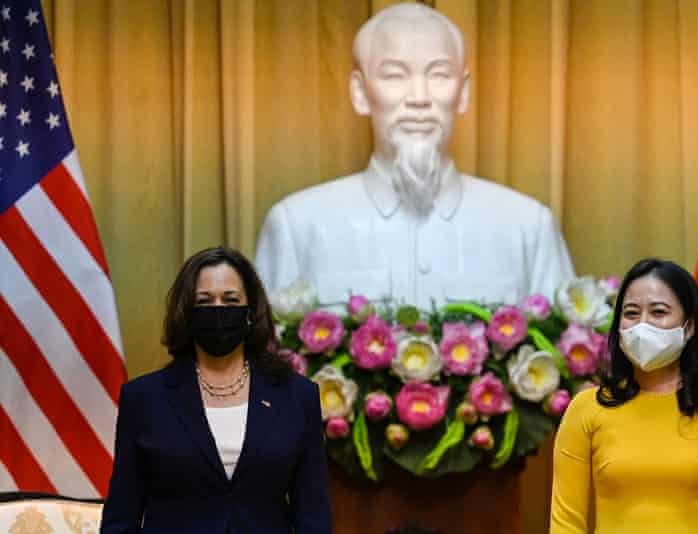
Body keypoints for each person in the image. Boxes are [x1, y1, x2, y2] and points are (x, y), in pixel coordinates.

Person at [254, 2, 574, 308]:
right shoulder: (297, 226)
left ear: (462, 93)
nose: (419, 98)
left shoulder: (527, 227)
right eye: (394, 75)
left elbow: (566, 355)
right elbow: (262, 360)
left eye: (439, 75)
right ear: (360, 92)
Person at [101, 247, 332, 534]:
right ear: (187, 313)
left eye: (230, 299)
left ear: (250, 311)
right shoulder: (144, 398)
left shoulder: (297, 396)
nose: (218, 308)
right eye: (205, 301)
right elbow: (122, 515)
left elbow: (314, 515)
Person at [550, 258, 698, 533]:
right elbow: (566, 525)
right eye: (631, 313)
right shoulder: (586, 409)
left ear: (688, 328)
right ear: (618, 326)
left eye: (658, 312)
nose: (643, 325)